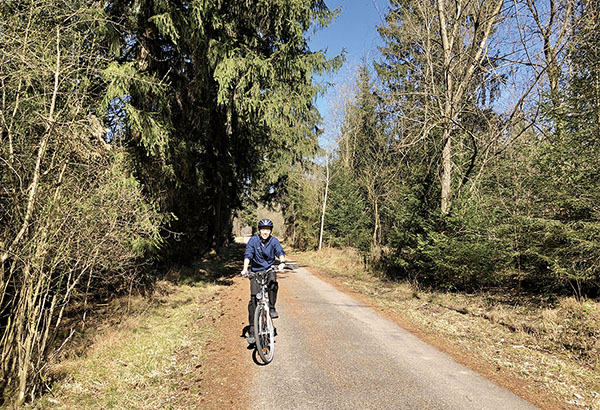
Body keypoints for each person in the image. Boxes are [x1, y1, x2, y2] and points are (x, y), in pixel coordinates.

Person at [241, 218, 285, 344]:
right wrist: (245, 269)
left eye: (267, 229)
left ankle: (271, 307)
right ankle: (253, 330)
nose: (265, 232)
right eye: (263, 229)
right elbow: (248, 255)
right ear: (259, 231)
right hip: (255, 271)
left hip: (269, 269)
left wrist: (282, 262)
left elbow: (280, 252)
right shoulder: (253, 241)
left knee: (273, 283)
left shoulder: (274, 241)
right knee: (253, 300)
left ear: (270, 231)